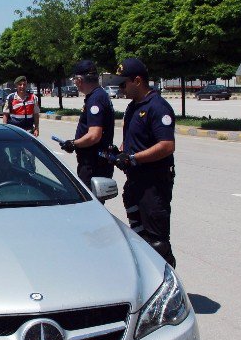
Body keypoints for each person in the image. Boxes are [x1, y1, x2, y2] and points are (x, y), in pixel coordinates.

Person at [110, 57, 177, 268]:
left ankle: (169, 283)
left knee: (157, 242)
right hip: (135, 180)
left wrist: (133, 158)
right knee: (139, 239)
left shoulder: (158, 107)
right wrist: (121, 152)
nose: (120, 88)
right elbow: (135, 140)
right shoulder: (132, 107)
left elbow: (167, 145)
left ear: (137, 81)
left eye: (123, 83)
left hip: (153, 183)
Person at [59, 60, 115, 184]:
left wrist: (74, 143)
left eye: (75, 80)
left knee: (90, 200)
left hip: (93, 164)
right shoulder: (99, 95)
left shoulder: (96, 99)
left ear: (79, 80)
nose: (75, 83)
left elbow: (94, 135)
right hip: (96, 162)